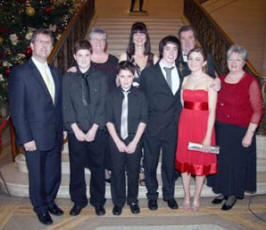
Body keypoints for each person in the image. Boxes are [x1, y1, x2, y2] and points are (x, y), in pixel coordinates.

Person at [8, 28, 64, 225]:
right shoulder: (20, 74)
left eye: (47, 43)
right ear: (32, 46)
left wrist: (63, 128)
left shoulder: (56, 73)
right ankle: (40, 207)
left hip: (55, 134)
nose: (44, 46)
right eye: (40, 42)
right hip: (34, 137)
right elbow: (17, 109)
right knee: (38, 176)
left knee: (53, 173)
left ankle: (50, 201)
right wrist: (25, 138)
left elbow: (59, 105)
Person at [207, 45, 263, 210]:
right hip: (221, 129)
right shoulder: (221, 79)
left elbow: (258, 111)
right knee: (222, 162)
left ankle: (232, 194)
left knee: (236, 164)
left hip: (240, 131)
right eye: (231, 59)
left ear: (244, 62)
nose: (234, 62)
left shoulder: (250, 82)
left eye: (238, 59)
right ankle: (223, 191)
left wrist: (249, 134)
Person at [63, 40, 108, 216]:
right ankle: (78, 201)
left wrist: (94, 128)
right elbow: (66, 104)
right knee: (76, 168)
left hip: (96, 130)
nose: (83, 59)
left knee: (98, 167)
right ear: (74, 57)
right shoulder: (68, 78)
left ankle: (98, 201)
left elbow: (102, 104)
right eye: (79, 55)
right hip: (76, 131)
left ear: (91, 56)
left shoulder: (100, 77)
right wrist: (76, 129)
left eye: (86, 55)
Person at [68, 27, 118, 183]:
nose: (98, 42)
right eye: (95, 39)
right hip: (89, 112)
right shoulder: (81, 62)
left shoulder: (114, 61)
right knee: (95, 143)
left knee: (108, 142)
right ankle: (100, 170)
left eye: (102, 39)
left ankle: (108, 169)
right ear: (89, 42)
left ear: (106, 43)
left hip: (109, 108)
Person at [140, 35, 184, 211]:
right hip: (153, 126)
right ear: (161, 50)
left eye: (174, 49)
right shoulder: (148, 73)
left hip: (173, 126)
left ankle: (169, 194)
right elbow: (142, 100)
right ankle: (152, 195)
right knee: (150, 163)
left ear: (178, 52)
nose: (171, 53)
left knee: (169, 163)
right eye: (168, 49)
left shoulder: (183, 70)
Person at [175, 47, 217, 212]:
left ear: (204, 62)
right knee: (185, 163)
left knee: (200, 163)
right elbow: (182, 105)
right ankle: (186, 196)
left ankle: (197, 197)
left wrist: (207, 136)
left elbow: (213, 111)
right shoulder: (184, 80)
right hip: (185, 124)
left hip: (203, 126)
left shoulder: (210, 81)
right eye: (191, 58)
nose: (193, 62)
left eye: (197, 59)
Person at [120, 21, 158, 186]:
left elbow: (159, 82)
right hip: (130, 106)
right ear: (132, 36)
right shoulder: (125, 57)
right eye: (136, 33)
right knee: (132, 137)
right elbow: (118, 81)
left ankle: (143, 172)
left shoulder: (154, 58)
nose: (139, 37)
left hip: (149, 106)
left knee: (146, 141)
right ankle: (131, 170)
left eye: (142, 33)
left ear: (146, 36)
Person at [106, 61, 147, 216]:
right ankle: (118, 202)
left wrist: (135, 142)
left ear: (133, 77)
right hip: (115, 139)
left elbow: (144, 120)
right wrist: (117, 141)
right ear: (118, 77)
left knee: (133, 171)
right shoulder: (111, 95)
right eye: (122, 76)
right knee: (116, 172)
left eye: (129, 76)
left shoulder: (141, 95)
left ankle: (133, 200)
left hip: (134, 139)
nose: (125, 80)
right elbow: (108, 120)